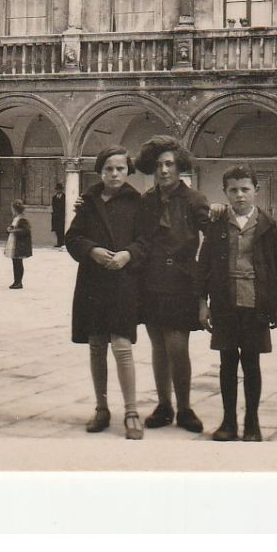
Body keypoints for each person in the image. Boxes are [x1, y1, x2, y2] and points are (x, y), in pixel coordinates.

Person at [66, 146, 156, 440]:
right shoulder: (88, 201)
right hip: (93, 283)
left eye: (119, 168)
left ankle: (131, 411)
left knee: (121, 344)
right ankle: (101, 407)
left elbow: (146, 241)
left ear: (128, 170)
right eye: (108, 169)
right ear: (100, 172)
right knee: (96, 345)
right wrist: (91, 250)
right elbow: (73, 238)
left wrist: (127, 255)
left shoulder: (137, 202)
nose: (114, 174)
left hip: (122, 283)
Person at [198, 167, 277, 442]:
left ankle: (252, 423)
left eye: (245, 189)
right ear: (225, 192)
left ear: (256, 190)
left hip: (256, 303)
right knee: (227, 363)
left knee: (251, 364)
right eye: (233, 190)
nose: (239, 195)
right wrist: (202, 303)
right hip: (225, 302)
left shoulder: (267, 225)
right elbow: (204, 264)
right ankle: (228, 422)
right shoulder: (217, 224)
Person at [136, 134, 212, 433]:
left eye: (169, 164)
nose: (163, 170)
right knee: (158, 346)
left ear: (179, 166)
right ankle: (164, 405)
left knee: (178, 347)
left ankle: (184, 408)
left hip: (181, 281)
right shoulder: (147, 200)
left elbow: (213, 234)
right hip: (151, 280)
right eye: (158, 165)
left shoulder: (195, 199)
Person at [4, 199, 33, 289]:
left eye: (13, 209)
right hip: (14, 243)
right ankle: (16, 281)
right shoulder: (16, 219)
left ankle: (19, 282)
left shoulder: (22, 219)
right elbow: (13, 227)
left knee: (18, 263)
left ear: (16, 210)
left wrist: (13, 230)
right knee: (15, 263)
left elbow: (25, 230)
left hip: (19, 245)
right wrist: (9, 229)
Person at [50, 183, 67, 249]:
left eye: (60, 189)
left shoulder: (65, 197)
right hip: (56, 216)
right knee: (57, 230)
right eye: (57, 189)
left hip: (62, 216)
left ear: (62, 190)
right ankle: (59, 242)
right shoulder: (54, 197)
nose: (58, 191)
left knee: (62, 229)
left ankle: (63, 242)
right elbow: (54, 206)